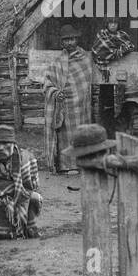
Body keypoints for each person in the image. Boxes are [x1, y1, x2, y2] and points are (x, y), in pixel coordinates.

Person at [41, 24, 94, 173]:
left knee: (81, 134)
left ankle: (81, 163)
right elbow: (47, 82)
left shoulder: (85, 59)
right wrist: (56, 92)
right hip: (63, 105)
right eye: (66, 40)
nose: (70, 42)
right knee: (65, 136)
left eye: (72, 39)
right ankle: (66, 166)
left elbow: (85, 82)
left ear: (77, 39)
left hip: (81, 105)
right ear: (61, 43)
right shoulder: (57, 62)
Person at [0, 124, 43, 240]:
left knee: (35, 198)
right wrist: (16, 189)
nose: (1, 147)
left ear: (13, 144)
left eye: (5, 143)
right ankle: (2, 232)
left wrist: (13, 192)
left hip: (22, 202)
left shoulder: (27, 158)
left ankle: (27, 228)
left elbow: (33, 187)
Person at [92, 18, 135, 137]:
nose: (112, 25)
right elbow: (97, 51)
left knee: (111, 102)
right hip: (104, 70)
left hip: (116, 69)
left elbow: (129, 47)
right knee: (104, 100)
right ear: (107, 24)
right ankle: (104, 129)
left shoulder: (123, 35)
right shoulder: (102, 35)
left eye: (115, 23)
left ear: (118, 24)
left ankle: (111, 130)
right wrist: (115, 53)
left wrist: (114, 53)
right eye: (110, 23)